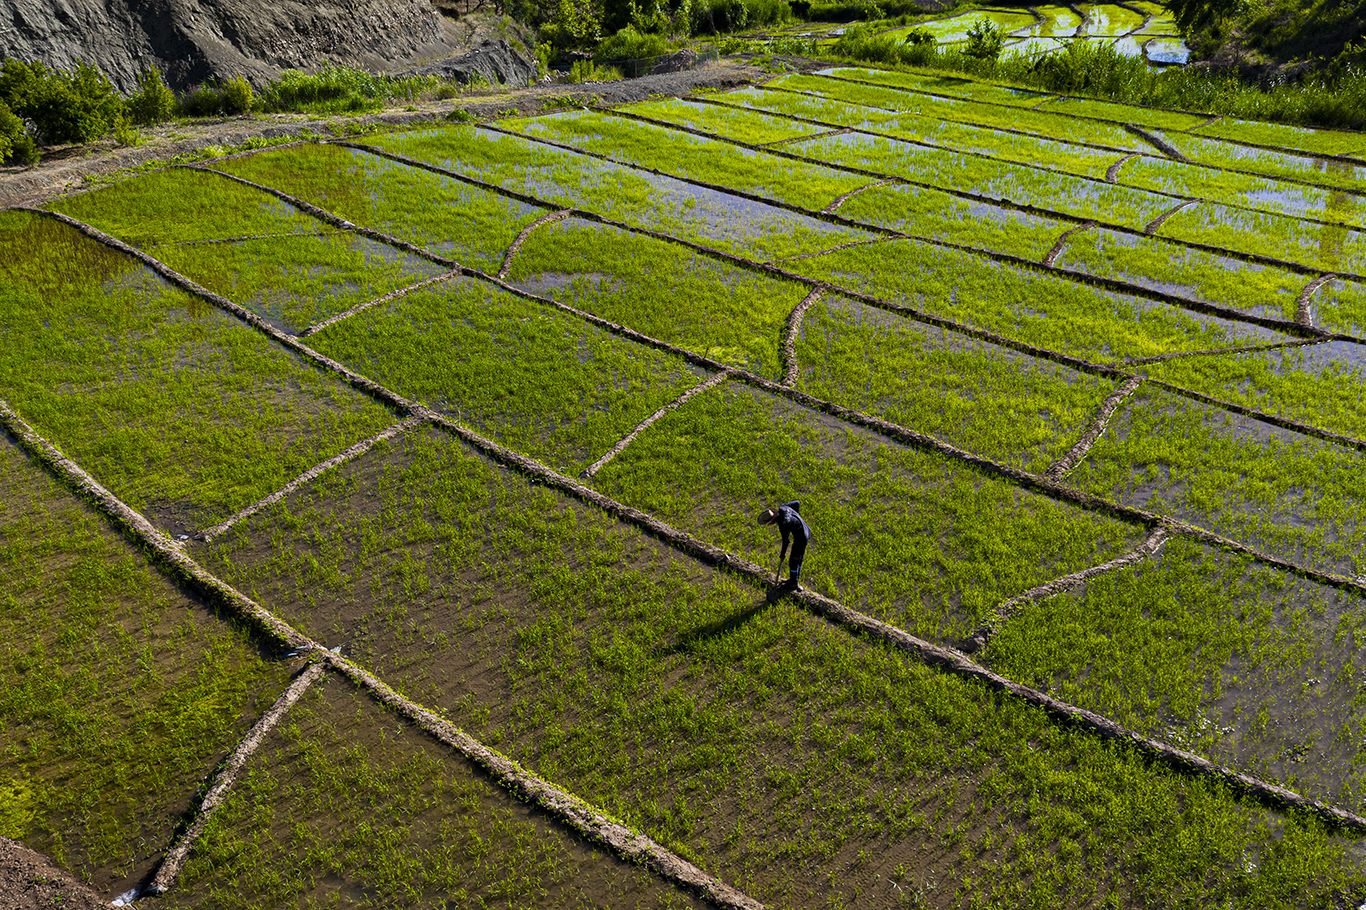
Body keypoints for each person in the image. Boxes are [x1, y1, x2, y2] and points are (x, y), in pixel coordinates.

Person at [757, 500, 812, 592]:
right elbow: (797, 503)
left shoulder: (783, 524)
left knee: (793, 561)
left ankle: (794, 583)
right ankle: (794, 580)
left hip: (802, 537)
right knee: (799, 557)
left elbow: (786, 541)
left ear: (771, 521)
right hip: (806, 528)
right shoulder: (783, 507)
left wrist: (782, 554)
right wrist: (794, 521)